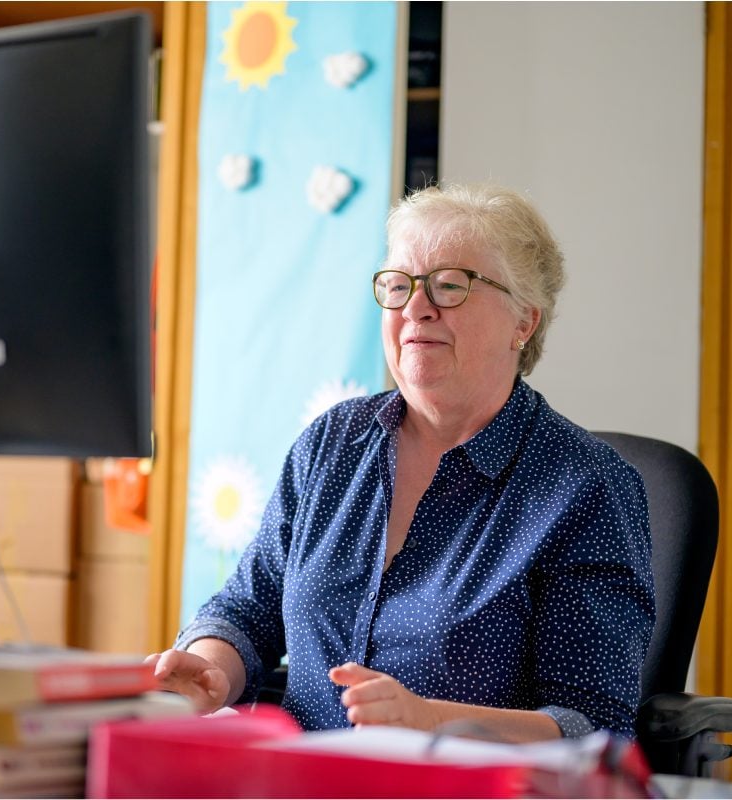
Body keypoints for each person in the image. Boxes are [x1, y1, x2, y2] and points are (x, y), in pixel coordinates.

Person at [148, 183, 655, 742]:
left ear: (524, 322)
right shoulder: (332, 443)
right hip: (299, 779)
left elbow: (592, 727)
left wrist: (431, 722)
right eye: (398, 285)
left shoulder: (586, 487)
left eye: (450, 286)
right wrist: (211, 668)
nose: (416, 307)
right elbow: (246, 609)